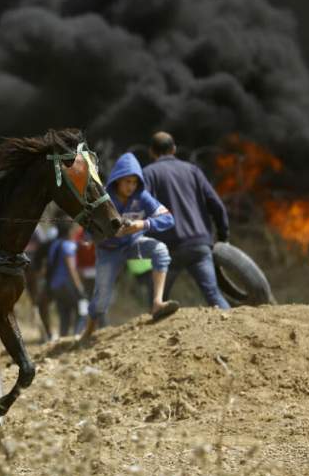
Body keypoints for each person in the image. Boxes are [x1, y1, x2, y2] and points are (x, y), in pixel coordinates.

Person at [82, 153, 176, 341]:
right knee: (101, 302)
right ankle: (88, 332)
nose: (131, 186)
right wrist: (105, 234)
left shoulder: (142, 196)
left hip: (133, 243)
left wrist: (142, 225)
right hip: (108, 252)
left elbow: (168, 218)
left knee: (161, 251)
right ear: (117, 180)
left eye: (134, 182)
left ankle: (157, 303)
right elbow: (87, 232)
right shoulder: (104, 199)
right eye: (127, 182)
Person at [141, 132, 231, 310]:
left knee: (156, 301)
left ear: (151, 152)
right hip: (199, 245)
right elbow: (216, 204)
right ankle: (239, 333)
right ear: (174, 149)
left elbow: (141, 208)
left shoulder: (147, 174)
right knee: (213, 295)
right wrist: (222, 236)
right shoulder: (193, 170)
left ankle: (155, 335)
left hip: (169, 249)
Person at [45, 222, 89, 337]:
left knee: (64, 314)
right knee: (83, 309)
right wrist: (79, 288)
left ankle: (62, 340)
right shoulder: (68, 245)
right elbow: (71, 269)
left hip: (55, 285)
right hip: (66, 284)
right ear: (68, 231)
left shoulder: (54, 244)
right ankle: (77, 336)